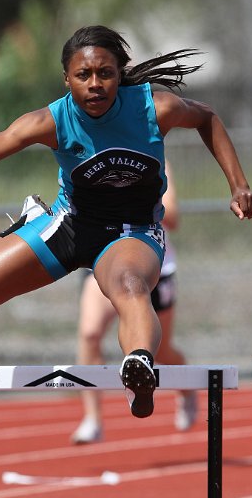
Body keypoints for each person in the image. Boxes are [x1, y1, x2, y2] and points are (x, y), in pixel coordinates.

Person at [0, 25, 252, 432]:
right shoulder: (50, 120)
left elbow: (206, 117)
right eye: (83, 76)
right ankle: (19, 230)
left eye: (104, 73)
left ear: (120, 74)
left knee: (130, 286)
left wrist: (239, 185)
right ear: (66, 79)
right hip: (69, 226)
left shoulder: (154, 108)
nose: (95, 85)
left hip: (131, 232)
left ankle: (139, 364)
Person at [72, 160, 197, 443]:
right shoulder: (95, 155)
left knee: (162, 352)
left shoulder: (156, 159)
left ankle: (187, 391)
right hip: (105, 261)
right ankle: (92, 419)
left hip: (153, 266)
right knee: (90, 334)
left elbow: (173, 216)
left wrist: (135, 196)